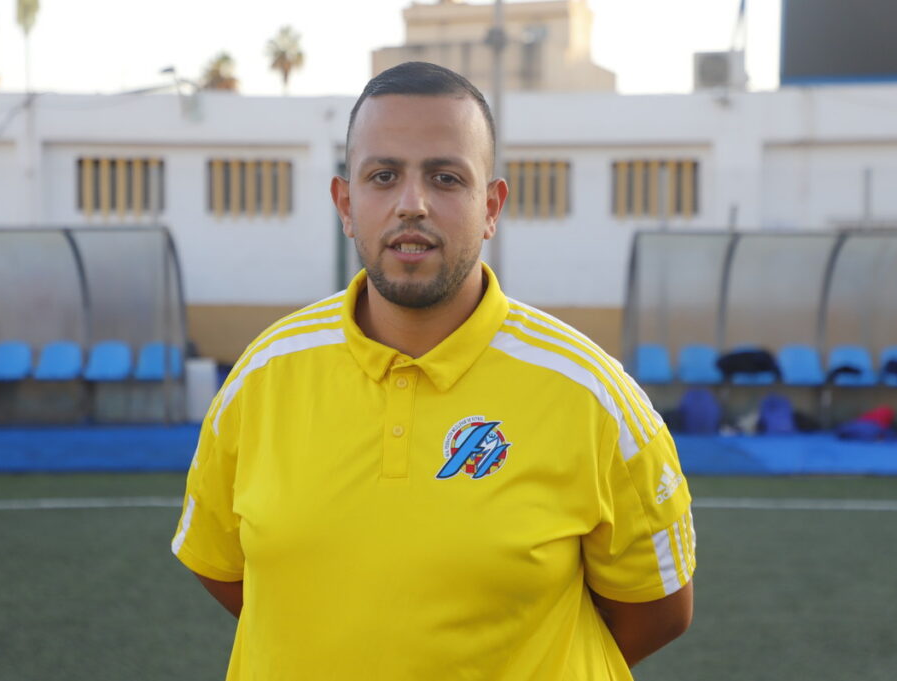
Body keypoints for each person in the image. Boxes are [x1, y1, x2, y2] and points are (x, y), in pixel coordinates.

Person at [171, 61, 695, 681]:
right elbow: (224, 569)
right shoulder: (262, 378)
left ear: (491, 205)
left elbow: (657, 612)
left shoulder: (592, 395)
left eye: (446, 178)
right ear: (346, 202)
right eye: (383, 175)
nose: (411, 204)